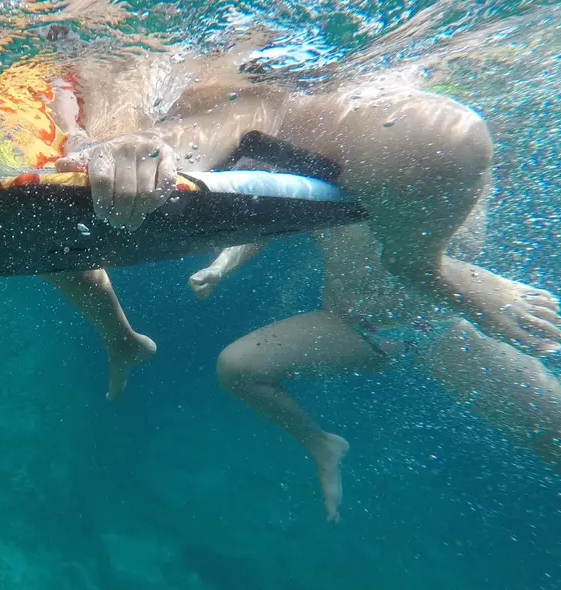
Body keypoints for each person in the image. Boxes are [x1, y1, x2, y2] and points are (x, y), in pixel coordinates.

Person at [36, 47, 561, 521]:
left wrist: (438, 275)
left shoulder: (363, 129)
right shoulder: (304, 156)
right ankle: (320, 443)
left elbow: (447, 141)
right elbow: (275, 214)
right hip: (357, 325)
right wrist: (222, 265)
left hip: (450, 319)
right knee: (236, 370)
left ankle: (441, 277)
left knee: (552, 435)